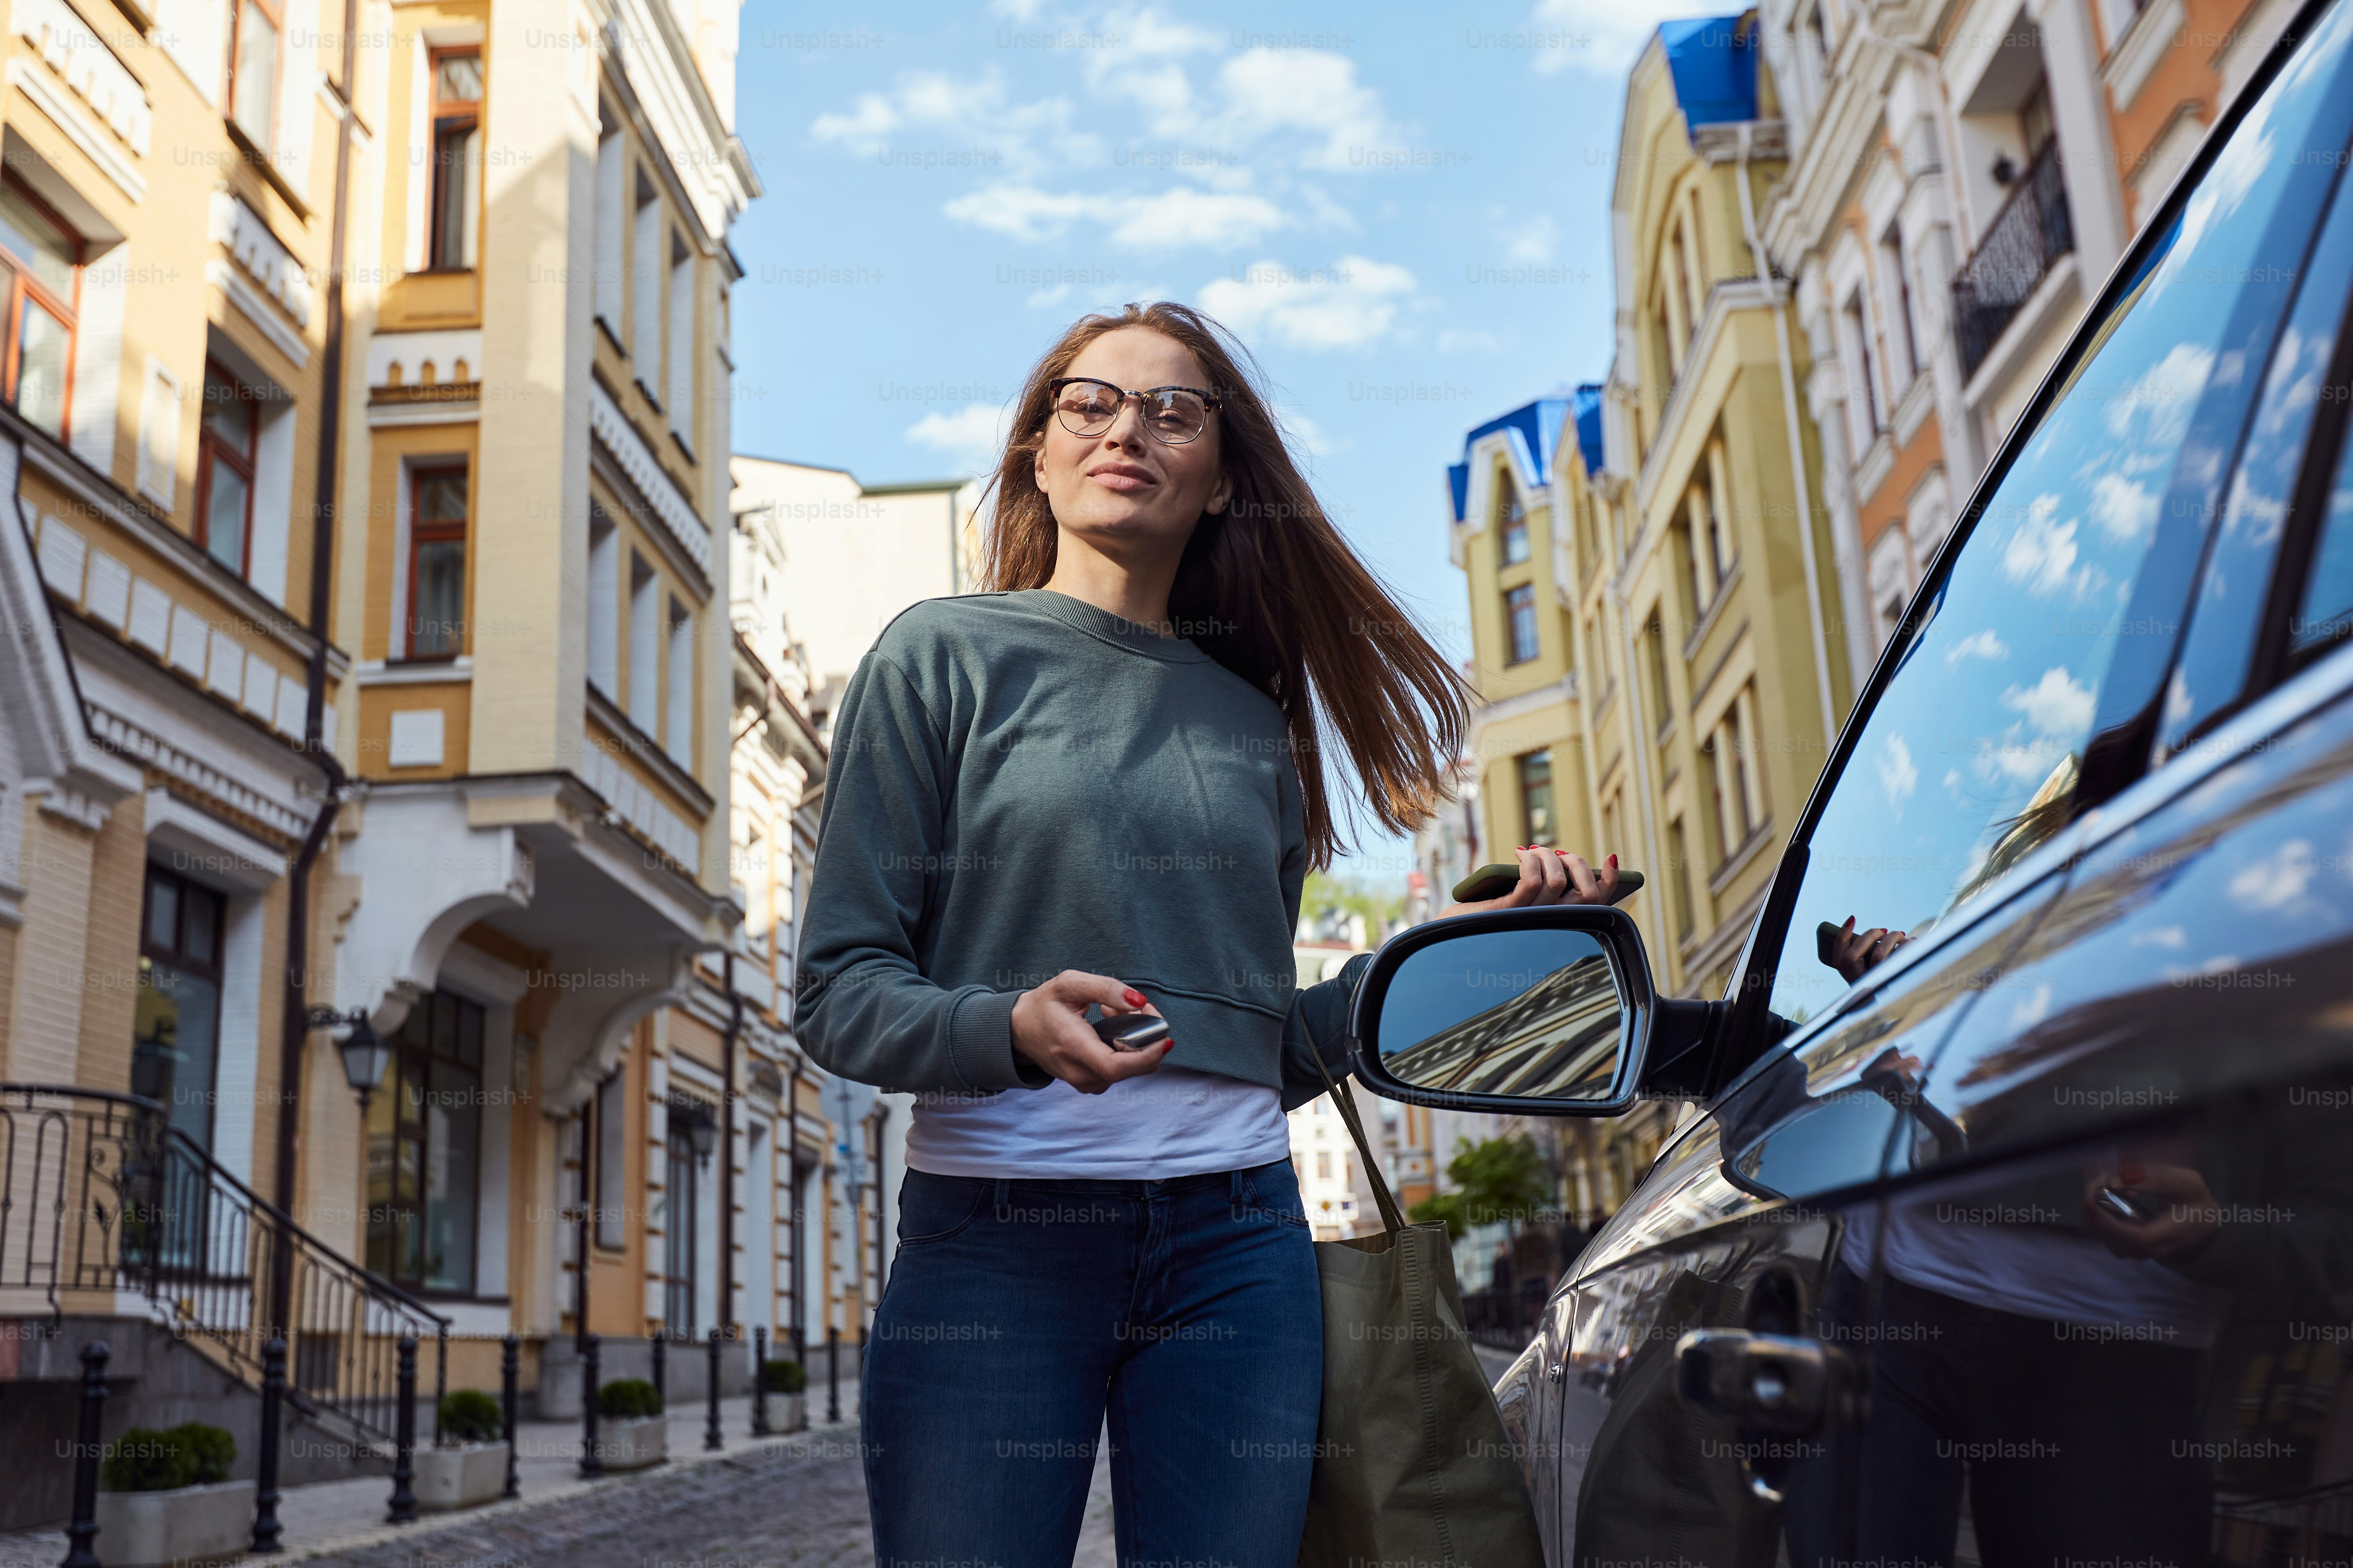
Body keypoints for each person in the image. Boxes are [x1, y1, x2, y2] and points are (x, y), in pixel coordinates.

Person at [793, 300, 1620, 1567]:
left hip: (1238, 1248)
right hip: (995, 1247)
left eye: (1175, 411)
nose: (1129, 429)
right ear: (1038, 448)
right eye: (1092, 402)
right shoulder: (941, 658)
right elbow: (841, 992)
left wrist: (1460, 949)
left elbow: (1264, 1045)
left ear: (1224, 476)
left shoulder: (1251, 720)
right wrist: (1009, 1026)